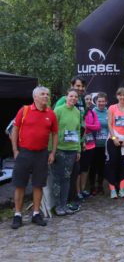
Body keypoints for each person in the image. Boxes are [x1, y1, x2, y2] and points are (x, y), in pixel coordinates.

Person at [10, 86, 58, 229]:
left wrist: (52, 152)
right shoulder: (24, 110)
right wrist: (15, 150)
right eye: (43, 94)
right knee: (20, 184)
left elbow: (55, 134)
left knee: (38, 184)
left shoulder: (51, 114)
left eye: (47, 94)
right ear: (35, 97)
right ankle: (17, 215)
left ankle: (36, 213)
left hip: (42, 154)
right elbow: (15, 129)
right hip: (24, 153)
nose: (46, 96)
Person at [52, 89, 82, 215]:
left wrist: (78, 149)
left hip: (72, 150)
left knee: (67, 178)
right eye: (71, 96)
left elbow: (78, 130)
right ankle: (57, 206)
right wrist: (51, 151)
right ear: (66, 97)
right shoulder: (58, 110)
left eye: (76, 97)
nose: (73, 98)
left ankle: (64, 205)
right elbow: (52, 131)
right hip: (59, 149)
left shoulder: (77, 112)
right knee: (57, 178)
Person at [106, 87, 124, 199]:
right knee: (112, 163)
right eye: (120, 95)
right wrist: (113, 138)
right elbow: (109, 124)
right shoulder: (112, 108)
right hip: (113, 139)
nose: (122, 97)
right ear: (117, 96)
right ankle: (112, 190)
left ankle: (122, 190)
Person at [77, 100, 100, 199]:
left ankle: (82, 190)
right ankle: (77, 192)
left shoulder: (92, 112)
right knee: (78, 169)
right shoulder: (77, 111)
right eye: (86, 99)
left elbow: (97, 126)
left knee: (85, 168)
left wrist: (86, 126)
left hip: (90, 144)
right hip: (79, 145)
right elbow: (78, 126)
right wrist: (86, 127)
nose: (89, 101)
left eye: (90, 99)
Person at [89, 92, 109, 195]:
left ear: (106, 102)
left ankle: (100, 185)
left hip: (104, 144)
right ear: (95, 102)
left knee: (102, 166)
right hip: (93, 144)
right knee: (93, 166)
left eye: (103, 101)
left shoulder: (109, 112)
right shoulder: (92, 112)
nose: (101, 103)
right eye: (99, 101)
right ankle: (92, 186)